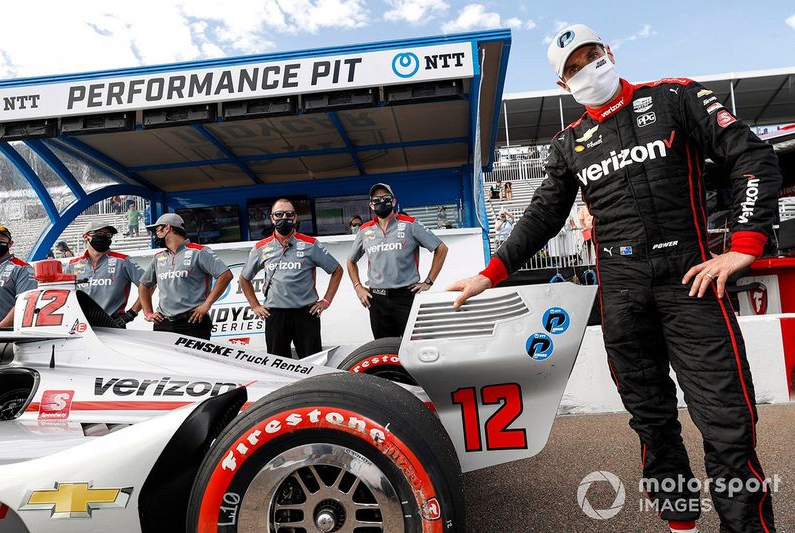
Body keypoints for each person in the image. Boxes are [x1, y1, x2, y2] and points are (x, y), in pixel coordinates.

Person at [448, 24, 780, 533]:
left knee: (727, 423)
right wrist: (488, 275)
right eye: (573, 67)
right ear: (563, 85)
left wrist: (744, 244)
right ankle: (680, 522)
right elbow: (541, 217)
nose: (587, 69)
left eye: (591, 56)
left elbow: (752, 157)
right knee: (652, 422)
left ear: (609, 51)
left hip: (691, 283)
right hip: (623, 297)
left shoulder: (674, 98)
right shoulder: (568, 144)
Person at [240, 199, 343, 358]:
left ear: (295, 218)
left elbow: (337, 270)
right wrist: (255, 306)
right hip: (275, 315)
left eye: (289, 214)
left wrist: (326, 301)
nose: (284, 218)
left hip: (306, 313)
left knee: (312, 362)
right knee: (278, 364)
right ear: (272, 218)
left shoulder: (310, 244)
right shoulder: (261, 247)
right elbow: (244, 278)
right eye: (279, 214)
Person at [347, 183, 448, 339]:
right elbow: (350, 261)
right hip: (377, 299)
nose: (381, 202)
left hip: (406, 296)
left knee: (414, 344)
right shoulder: (364, 230)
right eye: (376, 199)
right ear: (371, 205)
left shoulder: (410, 224)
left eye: (385, 198)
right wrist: (358, 287)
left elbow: (441, 249)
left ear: (393, 201)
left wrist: (429, 281)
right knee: (384, 347)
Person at [139, 213, 232, 340]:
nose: (156, 234)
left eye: (158, 229)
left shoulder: (199, 252)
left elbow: (225, 275)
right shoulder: (158, 257)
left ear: (168, 228)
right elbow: (144, 284)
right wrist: (148, 313)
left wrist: (207, 305)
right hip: (163, 322)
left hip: (193, 321)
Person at [64, 221, 144, 328]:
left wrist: (131, 314)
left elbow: (148, 285)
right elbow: (61, 294)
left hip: (113, 323)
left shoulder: (123, 261)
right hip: (82, 325)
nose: (104, 237)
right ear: (86, 237)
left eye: (108, 235)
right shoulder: (72, 265)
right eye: (100, 234)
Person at [0, 225, 37, 328]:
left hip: (7, 332)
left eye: (0, 239)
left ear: (10, 243)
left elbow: (25, 303)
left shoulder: (22, 268)